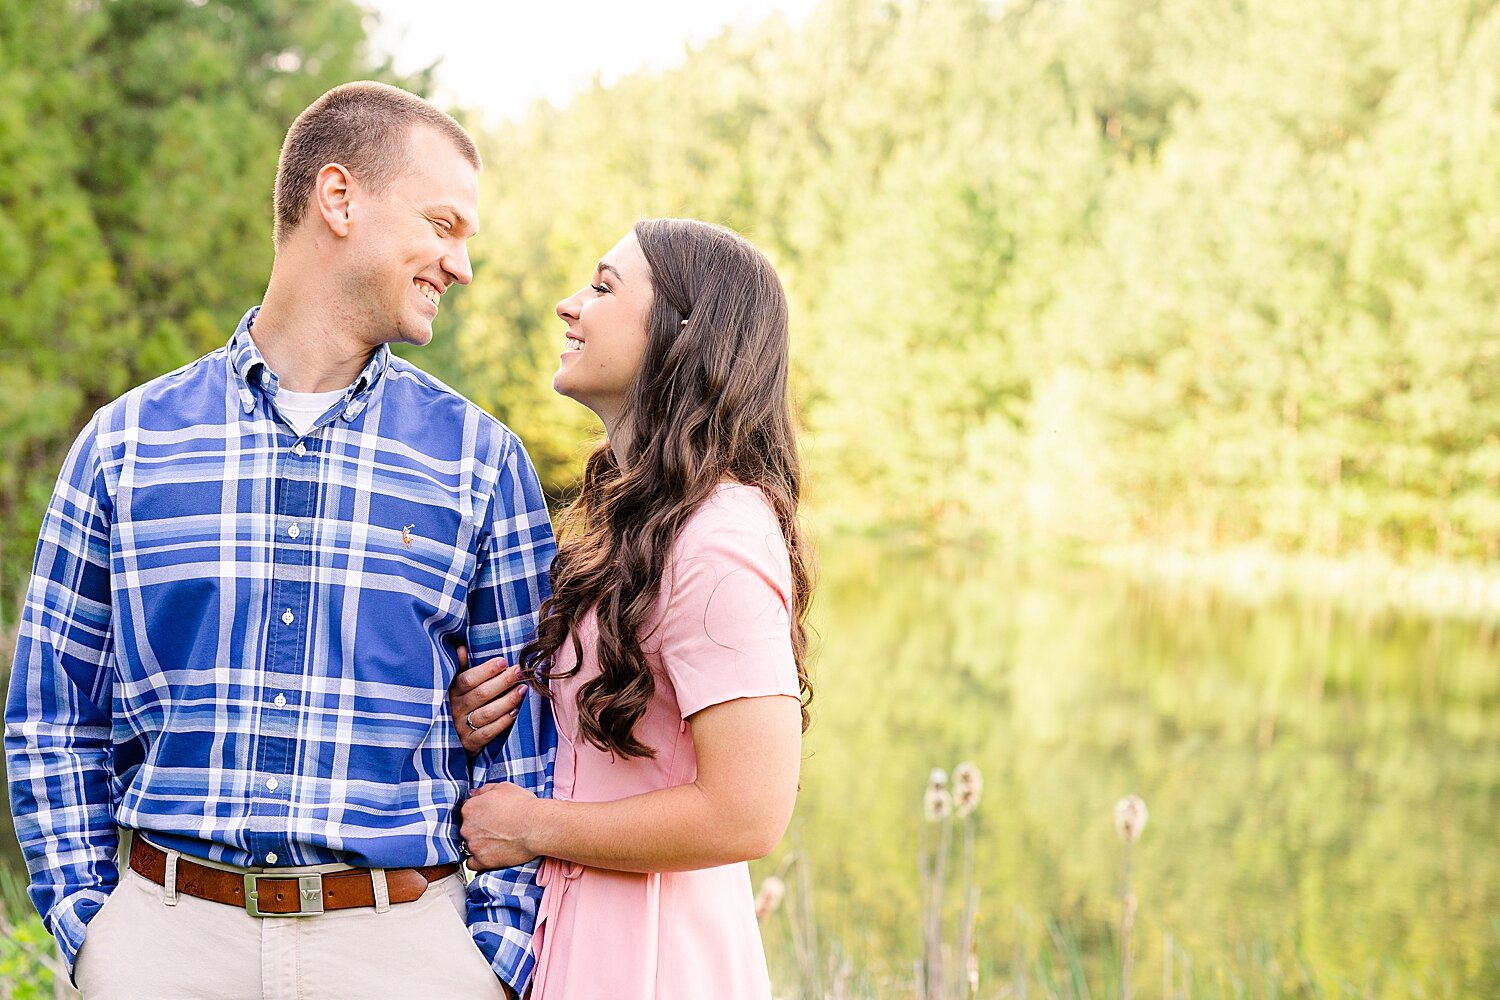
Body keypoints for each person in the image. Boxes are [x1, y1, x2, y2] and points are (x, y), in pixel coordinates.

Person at [4, 81, 553, 1000]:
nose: (462, 265)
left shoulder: (482, 462)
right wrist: (91, 933)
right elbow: (53, 714)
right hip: (160, 949)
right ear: (338, 199)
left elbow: (529, 742)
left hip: (406, 952)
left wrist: (492, 959)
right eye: (443, 224)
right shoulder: (126, 444)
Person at [452, 218, 814, 999]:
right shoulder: (630, 524)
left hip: (656, 960)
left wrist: (534, 826)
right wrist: (487, 708)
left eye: (603, 287)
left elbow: (748, 813)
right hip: (583, 940)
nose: (567, 305)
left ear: (681, 334)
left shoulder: (720, 536)